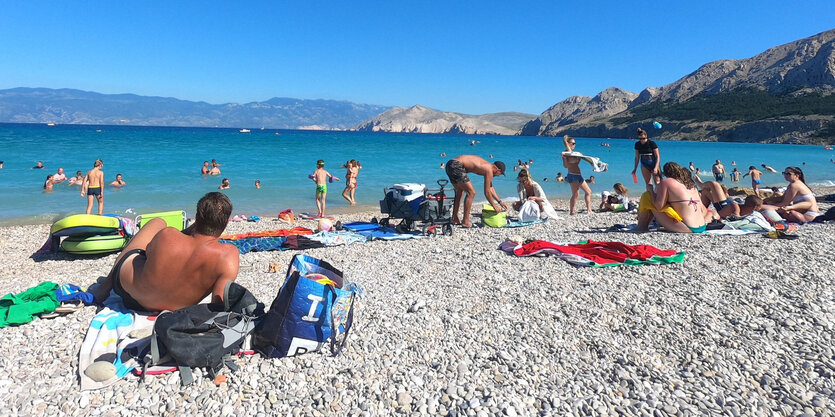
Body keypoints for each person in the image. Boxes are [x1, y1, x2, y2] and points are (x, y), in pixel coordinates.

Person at [91, 192, 239, 311]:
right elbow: (218, 305)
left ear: (196, 217)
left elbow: (147, 253)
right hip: (176, 309)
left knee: (157, 222)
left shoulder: (168, 234)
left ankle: (104, 288)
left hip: (132, 296)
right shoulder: (228, 256)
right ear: (226, 222)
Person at [637, 162, 708, 233]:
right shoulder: (691, 184)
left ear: (665, 173)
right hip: (702, 226)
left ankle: (641, 227)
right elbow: (703, 210)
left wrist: (651, 190)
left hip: (687, 227)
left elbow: (658, 206)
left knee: (647, 196)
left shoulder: (666, 182)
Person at [445, 155, 506, 228]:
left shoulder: (487, 166)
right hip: (457, 165)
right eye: (500, 174)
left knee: (460, 191)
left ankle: (455, 218)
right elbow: (487, 192)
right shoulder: (489, 170)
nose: (498, 176)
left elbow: (490, 188)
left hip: (450, 164)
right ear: (498, 170)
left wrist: (500, 202)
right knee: (472, 192)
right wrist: (494, 205)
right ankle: (466, 221)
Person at [562, 135, 593, 215]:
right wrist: (565, 159)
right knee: (576, 194)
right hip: (572, 175)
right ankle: (572, 211)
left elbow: (576, 164)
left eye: (575, 143)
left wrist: (579, 158)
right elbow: (566, 166)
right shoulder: (566, 154)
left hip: (579, 175)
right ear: (568, 144)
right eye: (572, 143)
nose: (574, 145)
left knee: (588, 192)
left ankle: (589, 210)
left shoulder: (575, 154)